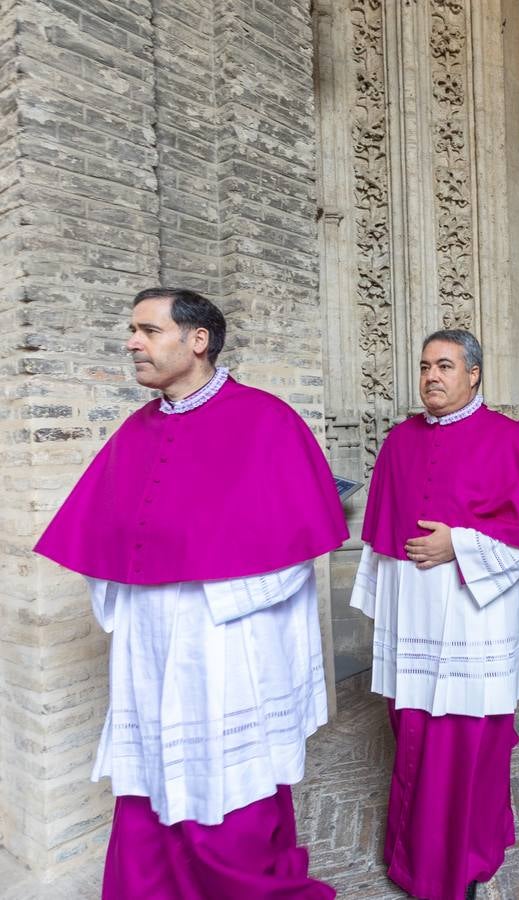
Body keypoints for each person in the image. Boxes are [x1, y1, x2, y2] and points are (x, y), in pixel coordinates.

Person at [34, 287, 347, 898]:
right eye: (133, 331)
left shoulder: (267, 421)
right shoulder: (135, 430)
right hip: (148, 641)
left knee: (225, 788)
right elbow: (102, 535)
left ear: (197, 340)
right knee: (151, 781)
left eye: (148, 331)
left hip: (225, 639)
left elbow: (299, 547)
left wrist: (210, 592)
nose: (132, 343)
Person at [350, 330, 519, 900]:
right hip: (413, 615)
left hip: (477, 615)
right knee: (412, 730)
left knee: (468, 738)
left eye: (445, 366)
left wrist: (461, 545)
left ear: (473, 374)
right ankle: (412, 853)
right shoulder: (399, 441)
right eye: (425, 366)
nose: (431, 376)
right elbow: (380, 536)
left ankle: (466, 854)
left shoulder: (509, 439)